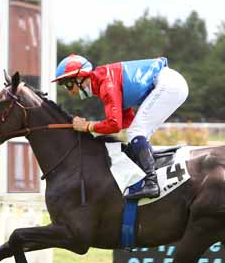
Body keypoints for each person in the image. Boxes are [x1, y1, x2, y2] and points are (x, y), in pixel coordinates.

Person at [52, 54, 189, 200]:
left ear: (80, 77)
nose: (70, 91)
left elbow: (115, 124)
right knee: (137, 132)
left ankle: (151, 182)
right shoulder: (104, 82)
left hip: (168, 85)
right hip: (171, 84)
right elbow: (127, 120)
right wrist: (91, 126)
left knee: (136, 132)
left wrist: (87, 126)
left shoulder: (107, 85)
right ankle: (150, 175)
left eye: (68, 84)